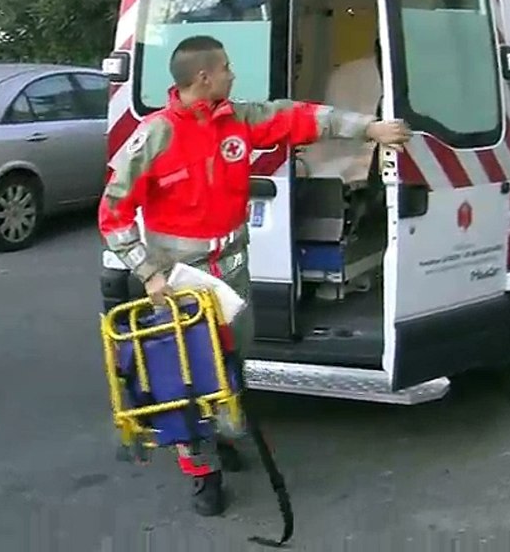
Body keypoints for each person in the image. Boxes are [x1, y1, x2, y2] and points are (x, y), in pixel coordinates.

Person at [98, 34, 412, 516]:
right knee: (185, 376)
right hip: (182, 281)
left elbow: (301, 117)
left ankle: (222, 434)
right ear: (203, 77)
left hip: (234, 271)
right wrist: (149, 273)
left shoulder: (238, 120)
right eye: (226, 67)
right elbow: (114, 213)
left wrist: (368, 128)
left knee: (230, 360)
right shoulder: (156, 137)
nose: (232, 74)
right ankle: (203, 474)